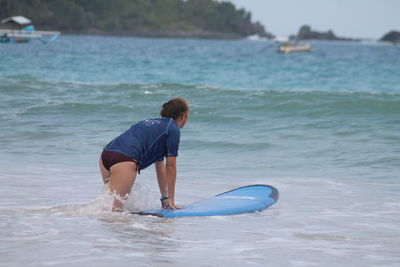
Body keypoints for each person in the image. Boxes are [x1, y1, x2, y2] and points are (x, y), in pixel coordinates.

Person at [99, 98, 189, 212]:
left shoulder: (150, 123)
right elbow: (170, 166)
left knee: (108, 207)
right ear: (183, 116)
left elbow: (159, 165)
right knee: (114, 213)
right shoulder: (173, 128)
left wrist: (165, 198)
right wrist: (171, 200)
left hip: (106, 155)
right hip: (123, 160)